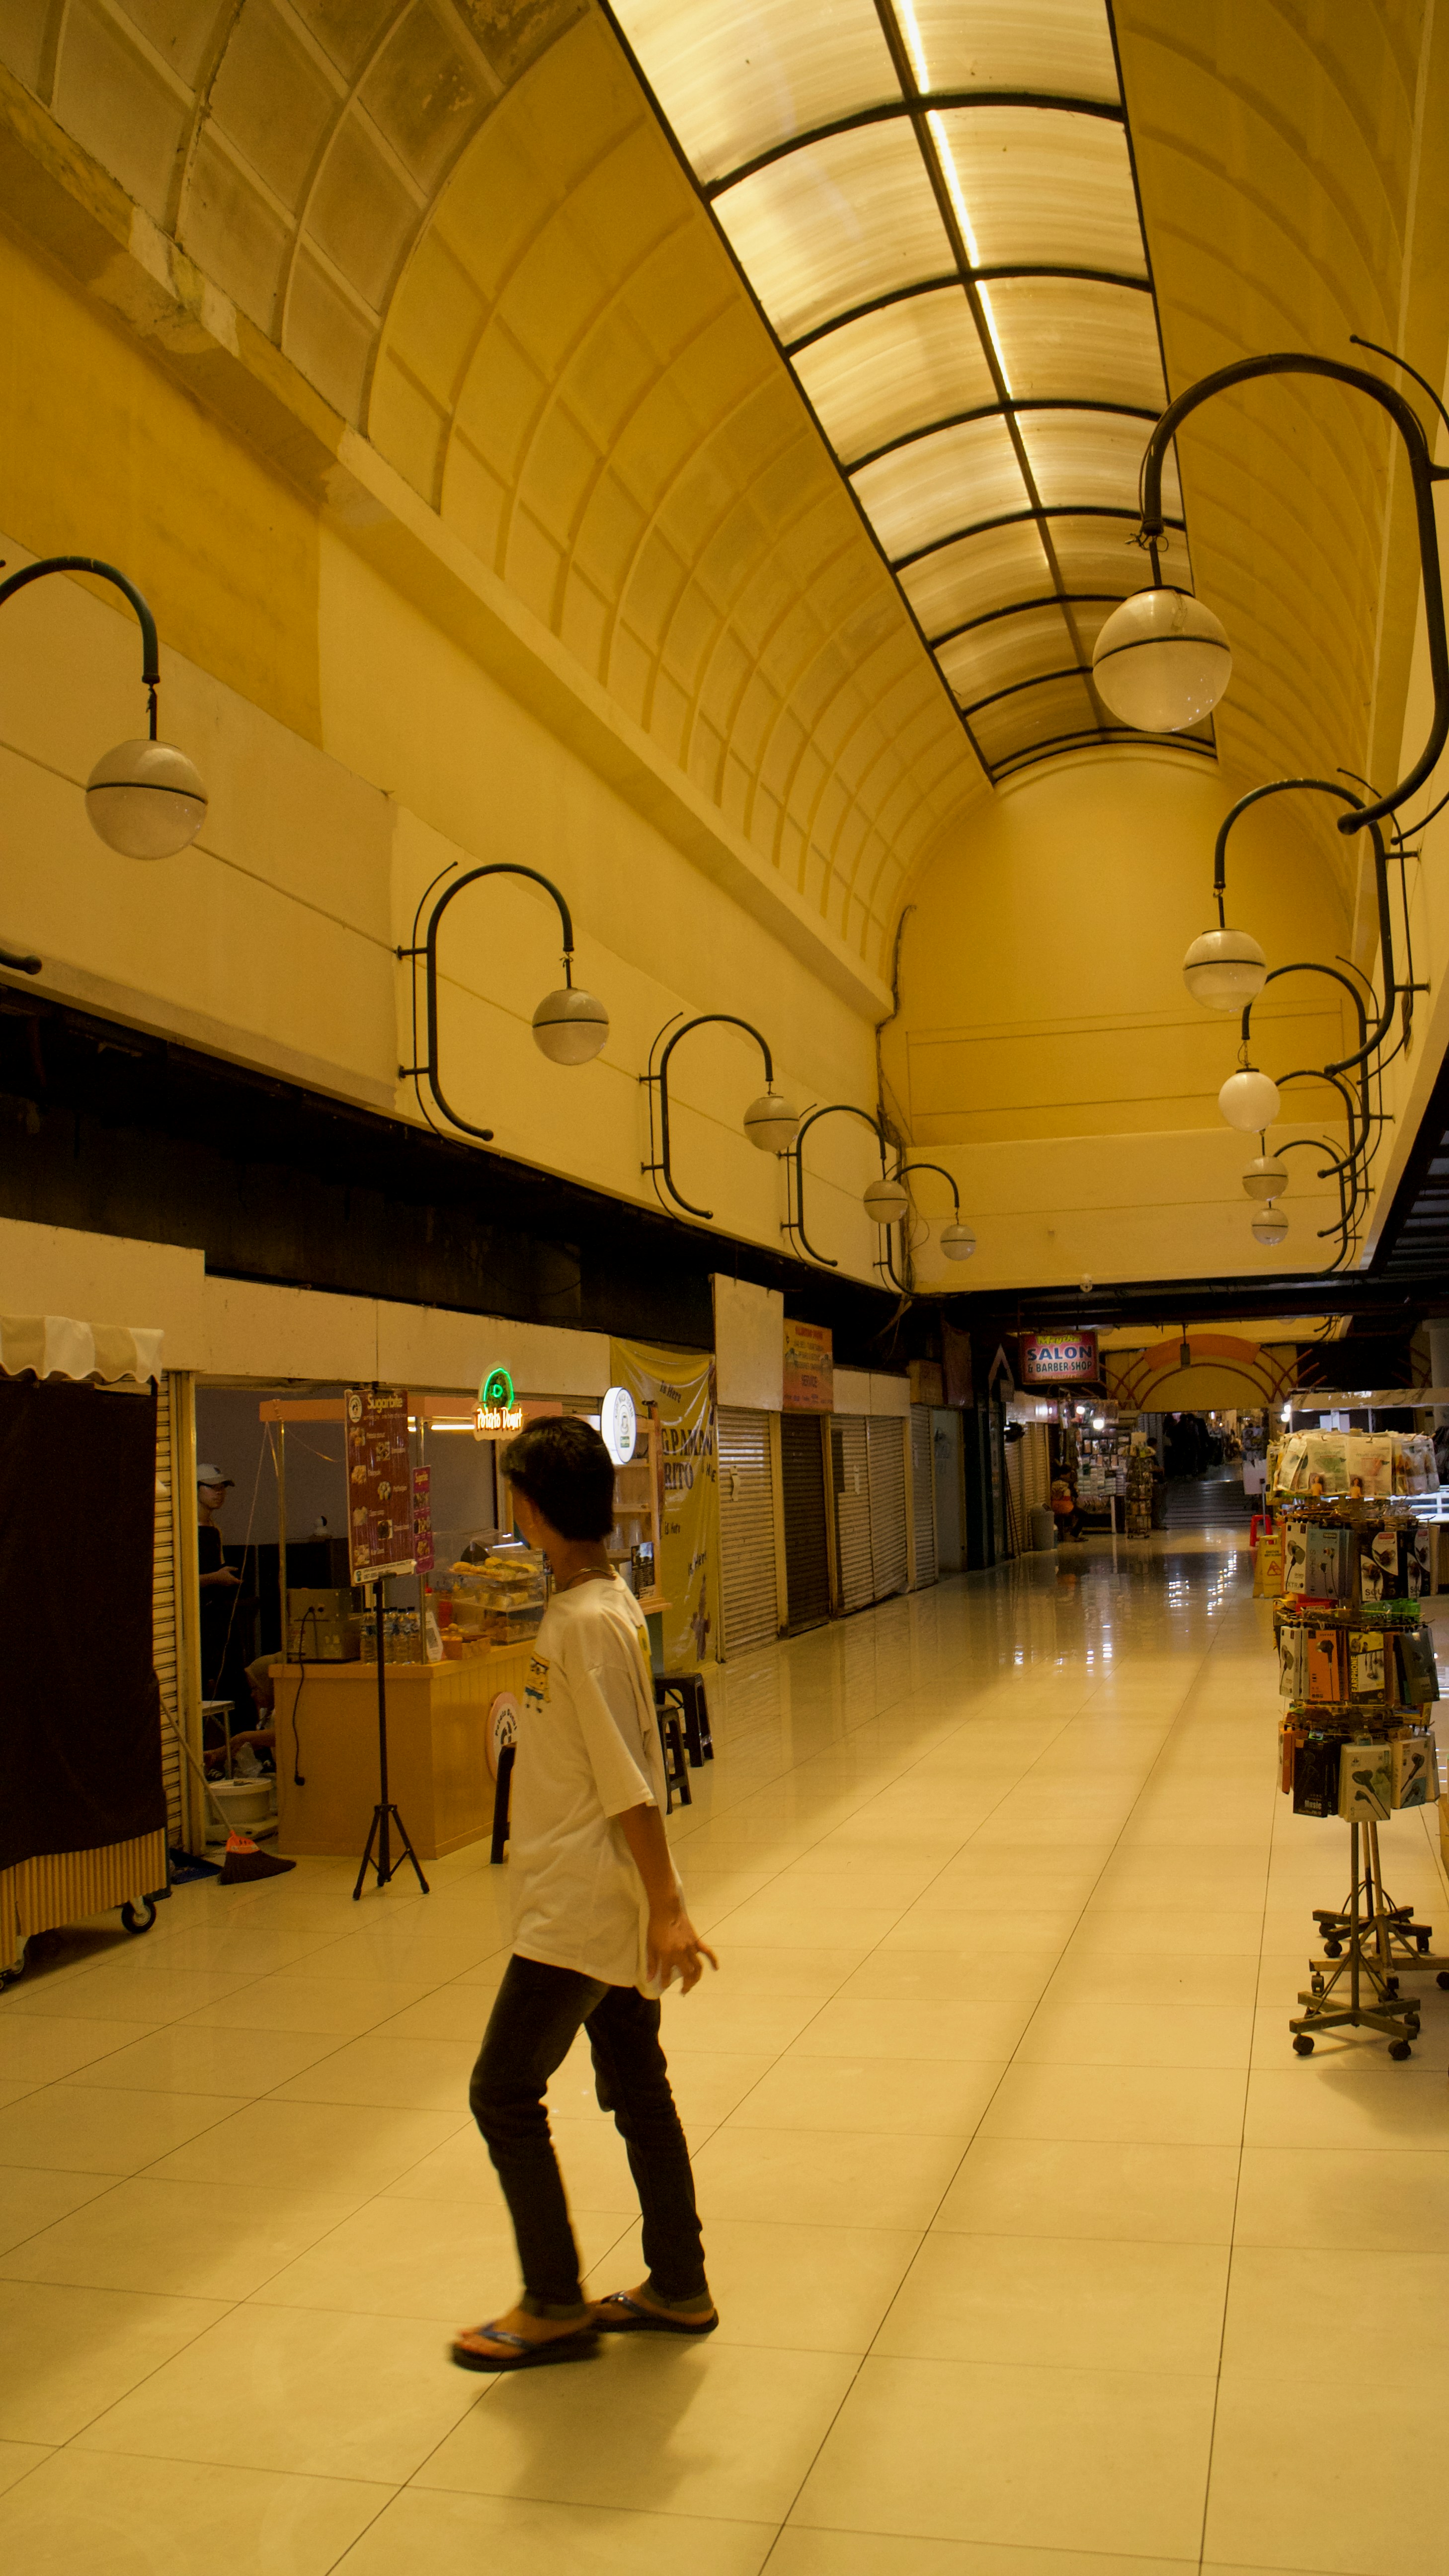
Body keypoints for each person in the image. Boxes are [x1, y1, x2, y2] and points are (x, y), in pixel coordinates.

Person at [454, 1415, 718, 2375]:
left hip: (581, 1909)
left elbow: (628, 1782)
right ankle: (678, 2284)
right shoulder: (587, 1608)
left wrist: (667, 1905)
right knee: (638, 2091)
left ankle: (555, 2302)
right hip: (594, 1897)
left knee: (502, 2092)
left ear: (532, 1504)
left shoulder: (589, 1625)